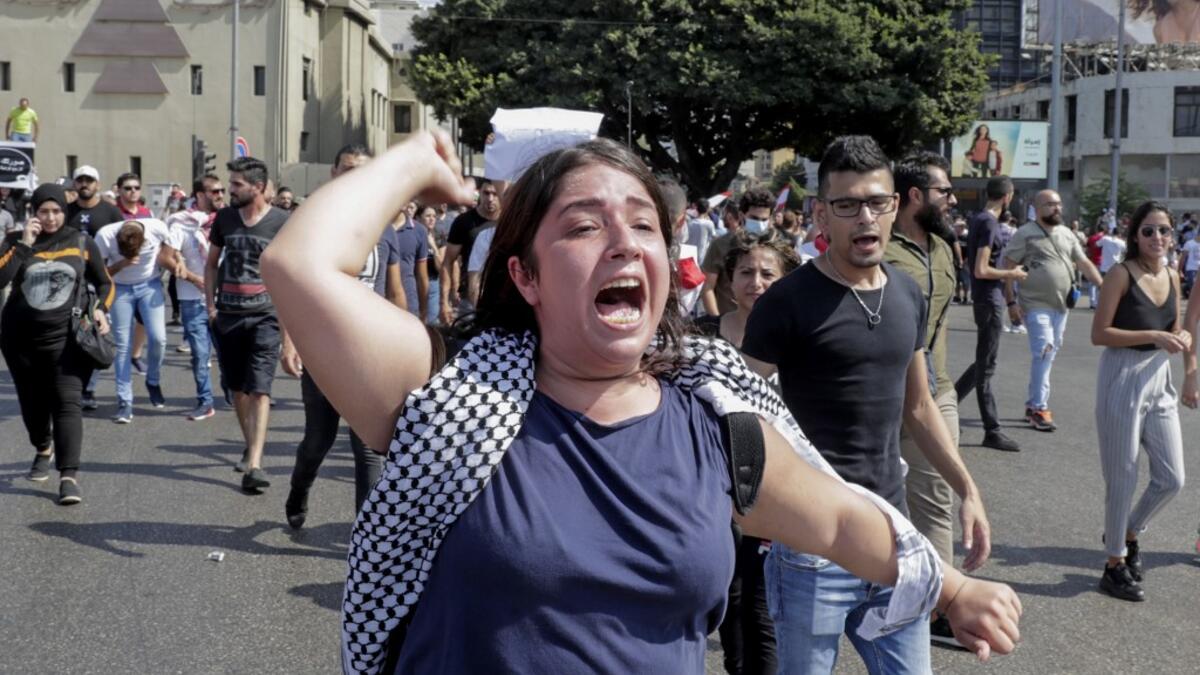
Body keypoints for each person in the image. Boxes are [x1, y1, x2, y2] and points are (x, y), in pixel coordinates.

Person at [261, 131, 1022, 675]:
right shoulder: (451, 388)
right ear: (524, 277)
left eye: (644, 224)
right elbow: (298, 263)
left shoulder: (716, 424)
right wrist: (412, 162)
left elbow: (844, 516)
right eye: (586, 226)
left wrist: (952, 588)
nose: (623, 242)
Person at [741, 136, 993, 673]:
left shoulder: (906, 293)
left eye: (877, 202)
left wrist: (967, 489)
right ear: (821, 213)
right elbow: (742, 411)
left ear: (897, 206)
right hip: (811, 547)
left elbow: (920, 407)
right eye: (847, 204)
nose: (865, 217)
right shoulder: (786, 302)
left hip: (893, 537)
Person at [886, 152, 990, 646]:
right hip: (887, 395)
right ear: (914, 197)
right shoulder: (883, 250)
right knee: (902, 501)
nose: (952, 200)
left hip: (938, 390)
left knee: (935, 498)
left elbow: (941, 323)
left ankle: (936, 602)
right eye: (944, 191)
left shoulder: (945, 249)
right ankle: (931, 597)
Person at [697, 229, 799, 675]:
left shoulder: (799, 340)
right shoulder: (703, 336)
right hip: (713, 484)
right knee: (728, 596)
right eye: (745, 272)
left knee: (762, 602)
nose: (756, 281)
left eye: (767, 273)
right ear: (729, 280)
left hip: (773, 485)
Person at [283, 144, 401, 529]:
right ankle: (299, 490)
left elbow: (394, 291)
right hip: (324, 349)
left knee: (369, 447)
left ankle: (365, 535)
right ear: (333, 173)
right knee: (318, 440)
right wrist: (291, 340)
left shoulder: (384, 226)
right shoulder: (312, 223)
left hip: (372, 353)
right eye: (347, 169)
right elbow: (291, 287)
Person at [1091, 201, 1191, 602]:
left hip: (1158, 377)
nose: (1157, 238)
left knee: (1172, 478)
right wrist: (1153, 338)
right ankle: (1113, 563)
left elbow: (1176, 327)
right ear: (1135, 235)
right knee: (1123, 476)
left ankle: (1128, 531)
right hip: (1122, 374)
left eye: (1164, 231)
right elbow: (1100, 334)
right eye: (1148, 231)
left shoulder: (1172, 273)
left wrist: (1180, 339)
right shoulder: (1120, 274)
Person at [0, 183, 113, 505]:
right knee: (33, 407)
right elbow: (0, 279)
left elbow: (105, 282)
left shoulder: (80, 241)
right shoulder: (14, 241)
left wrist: (101, 310)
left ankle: (68, 475)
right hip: (19, 340)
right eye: (43, 211)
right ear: (33, 212)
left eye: (56, 211)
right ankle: (42, 446)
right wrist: (24, 245)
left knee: (67, 403)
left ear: (65, 212)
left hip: (67, 339)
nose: (50, 218)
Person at [205, 156, 293, 493]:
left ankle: (255, 464)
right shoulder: (225, 219)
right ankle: (249, 444)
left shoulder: (282, 222)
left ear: (257, 187)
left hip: (265, 316)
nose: (230, 190)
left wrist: (290, 337)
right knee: (237, 390)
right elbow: (212, 264)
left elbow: (287, 276)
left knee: (260, 388)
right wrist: (210, 306)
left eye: (237, 184)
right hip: (227, 315)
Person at [1003, 190, 1104, 432]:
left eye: (1058, 204)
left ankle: (1031, 405)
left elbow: (1084, 263)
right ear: (1037, 208)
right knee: (1045, 351)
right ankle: (1039, 407)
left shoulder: (1066, 233)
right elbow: (1008, 268)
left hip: (1061, 305)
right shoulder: (1025, 234)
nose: (1056, 208)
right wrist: (1011, 303)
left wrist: (1105, 287)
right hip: (1034, 303)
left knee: (1049, 352)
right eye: (1050, 204)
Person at [93, 217, 177, 423]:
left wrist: (177, 262)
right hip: (119, 289)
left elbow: (170, 248)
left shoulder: (156, 227)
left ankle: (153, 380)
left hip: (150, 285)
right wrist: (122, 264)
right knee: (122, 345)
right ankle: (125, 400)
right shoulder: (105, 235)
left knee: (159, 339)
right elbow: (98, 273)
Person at [164, 180, 219, 421]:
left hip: (223, 299)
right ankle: (205, 401)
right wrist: (194, 277)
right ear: (200, 194)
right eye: (214, 191)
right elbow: (165, 258)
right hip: (192, 299)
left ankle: (233, 395)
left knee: (228, 354)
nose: (220, 194)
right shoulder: (180, 223)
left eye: (222, 190)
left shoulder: (226, 219)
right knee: (200, 353)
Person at [702, 188, 772, 316]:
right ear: (741, 216)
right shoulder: (720, 245)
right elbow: (708, 287)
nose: (760, 224)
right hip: (728, 323)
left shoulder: (774, 247)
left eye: (764, 220)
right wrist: (717, 321)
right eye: (755, 218)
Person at [440, 179, 501, 324]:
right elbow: (448, 261)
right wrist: (444, 302)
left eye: (495, 194)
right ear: (479, 192)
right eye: (486, 193)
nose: (490, 198)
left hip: (502, 298)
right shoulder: (464, 222)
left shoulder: (509, 221)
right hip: (468, 300)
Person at [391, 201, 430, 317]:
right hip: (378, 301)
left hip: (409, 304)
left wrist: (423, 310)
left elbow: (422, 276)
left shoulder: (419, 230)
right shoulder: (376, 229)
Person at [65, 166, 123, 237]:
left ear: (98, 185)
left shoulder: (112, 212)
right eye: (80, 181)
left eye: (89, 181)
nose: (84, 184)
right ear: (73, 185)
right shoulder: (65, 211)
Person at [416, 204, 445, 325]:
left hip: (433, 282)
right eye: (428, 216)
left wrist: (433, 246)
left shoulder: (438, 236)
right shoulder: (413, 234)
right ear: (418, 218)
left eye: (434, 216)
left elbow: (441, 268)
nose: (432, 219)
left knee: (432, 323)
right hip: (415, 283)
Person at [1179, 227, 1200, 298]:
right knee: (1193, 286)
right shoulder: (1189, 243)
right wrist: (1179, 270)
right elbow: (1183, 258)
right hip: (1191, 268)